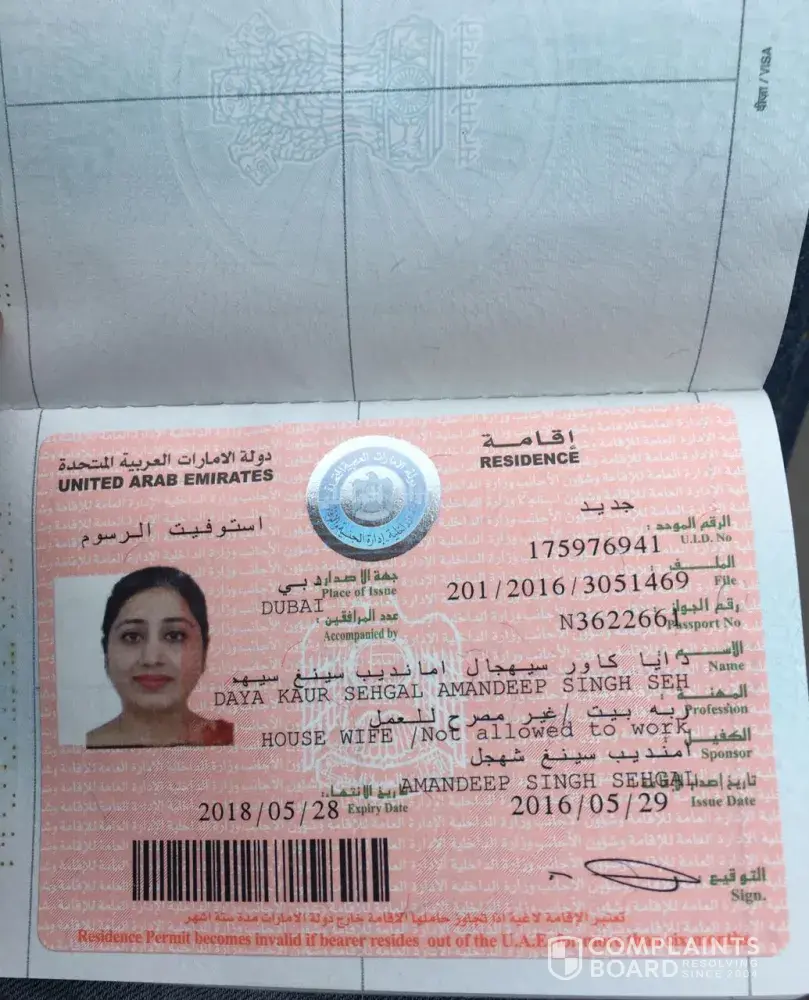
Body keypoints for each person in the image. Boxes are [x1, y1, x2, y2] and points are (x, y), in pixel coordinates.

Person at [86, 566, 233, 748]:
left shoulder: (231, 740)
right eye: (132, 637)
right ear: (106, 653)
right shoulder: (79, 750)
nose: (151, 659)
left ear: (205, 650)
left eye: (175, 636)